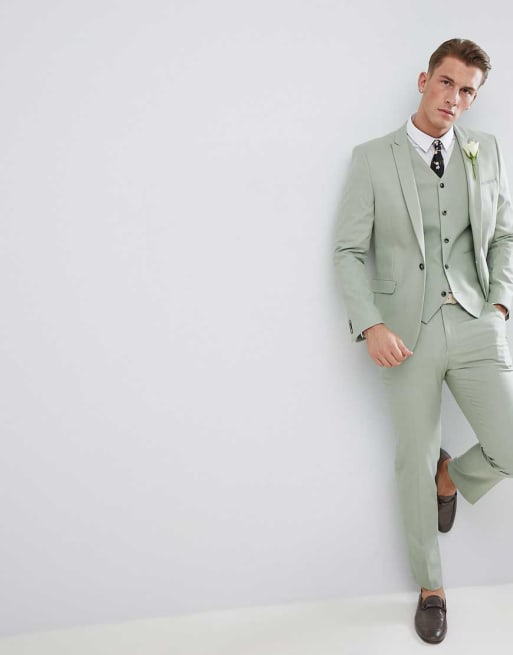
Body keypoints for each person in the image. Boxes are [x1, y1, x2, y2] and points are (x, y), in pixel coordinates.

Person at [333, 38, 513, 644]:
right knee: (413, 459)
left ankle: (452, 477)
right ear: (424, 80)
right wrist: (370, 324)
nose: (454, 98)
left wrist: (500, 305)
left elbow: (505, 235)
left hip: (476, 320)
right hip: (404, 333)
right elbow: (348, 250)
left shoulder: (486, 150)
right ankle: (431, 589)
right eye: (446, 83)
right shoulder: (371, 158)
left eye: (467, 91)